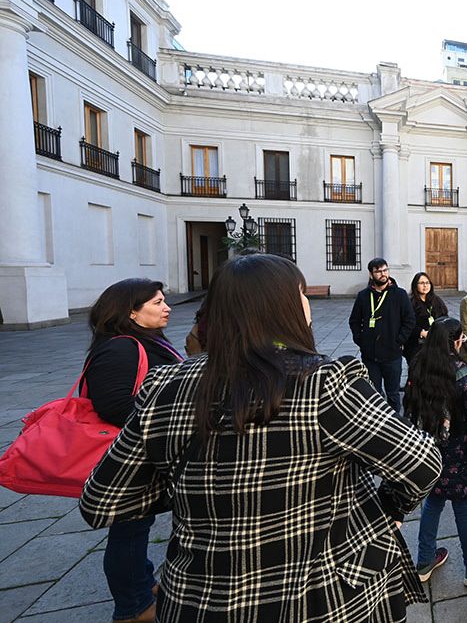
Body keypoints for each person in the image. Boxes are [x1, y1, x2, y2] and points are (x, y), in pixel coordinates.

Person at [81, 254, 443, 623]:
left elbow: (101, 501)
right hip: (320, 598)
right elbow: (422, 462)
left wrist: (198, 490)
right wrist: (389, 509)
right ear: (283, 306)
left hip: (200, 601)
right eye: (300, 293)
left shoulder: (164, 387)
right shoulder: (323, 383)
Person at [82, 279, 184, 623]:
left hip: (145, 452)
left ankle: (142, 582)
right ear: (131, 312)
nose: (166, 307)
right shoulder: (120, 348)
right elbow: (113, 406)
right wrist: (161, 427)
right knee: (129, 528)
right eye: (157, 302)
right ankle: (133, 607)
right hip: (131, 455)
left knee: (138, 525)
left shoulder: (145, 341)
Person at [403, 317, 467, 588]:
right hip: (458, 453)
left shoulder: (418, 366)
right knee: (464, 506)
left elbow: (409, 408)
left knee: (432, 502)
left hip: (426, 450)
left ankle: (424, 560)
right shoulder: (464, 375)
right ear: (456, 342)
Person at [348, 257, 415, 414]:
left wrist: (399, 340)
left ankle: (395, 425)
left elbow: (410, 320)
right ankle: (378, 425)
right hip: (370, 356)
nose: (383, 274)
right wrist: (361, 341)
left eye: (385, 270)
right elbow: (354, 321)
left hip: (392, 354)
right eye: (378, 271)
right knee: (374, 394)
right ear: (371, 274)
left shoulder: (399, 294)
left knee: (393, 394)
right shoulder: (363, 296)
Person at [403, 272, 449, 365]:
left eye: (427, 283)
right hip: (417, 345)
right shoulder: (409, 302)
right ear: (415, 285)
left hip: (435, 344)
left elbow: (445, 318)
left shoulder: (437, 301)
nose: (425, 285)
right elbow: (406, 323)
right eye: (421, 283)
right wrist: (421, 332)